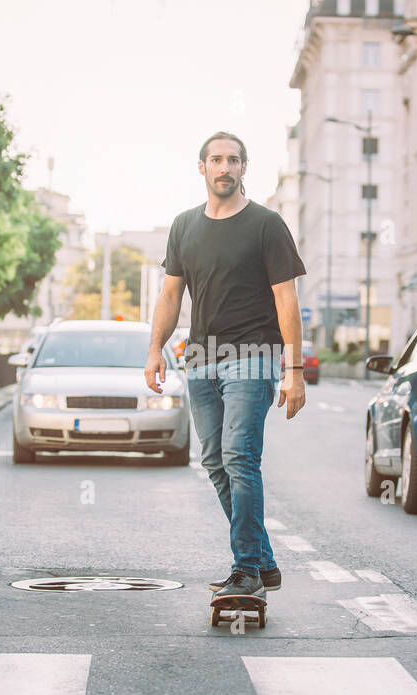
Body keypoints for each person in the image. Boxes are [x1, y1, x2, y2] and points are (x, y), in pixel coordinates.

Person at [145, 131, 307, 600]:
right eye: (216, 159)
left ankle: (246, 569)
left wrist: (293, 371)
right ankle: (264, 560)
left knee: (239, 456)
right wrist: (156, 349)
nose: (224, 168)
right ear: (202, 168)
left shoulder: (266, 224)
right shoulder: (183, 226)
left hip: (254, 356)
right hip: (199, 355)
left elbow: (286, 300)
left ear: (243, 169)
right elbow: (171, 293)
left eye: (233, 160)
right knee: (214, 461)